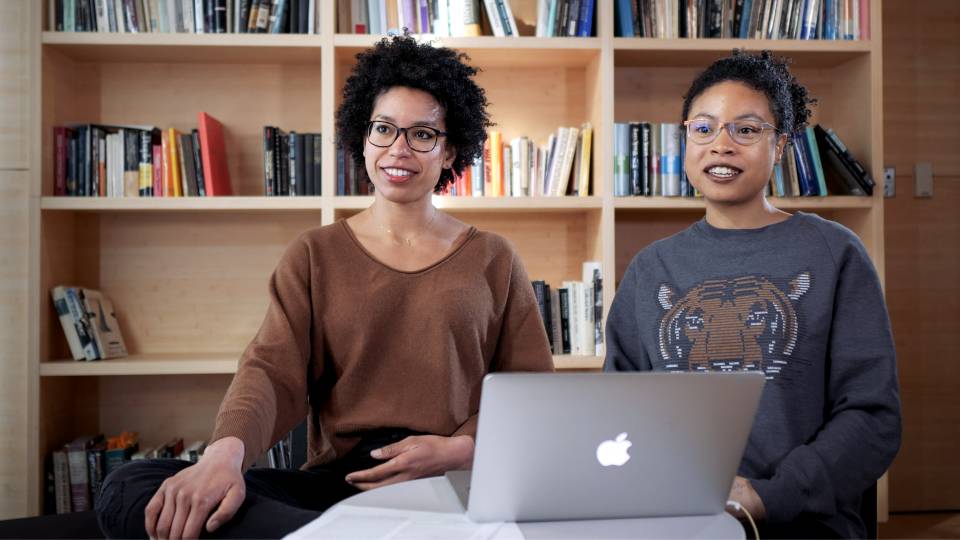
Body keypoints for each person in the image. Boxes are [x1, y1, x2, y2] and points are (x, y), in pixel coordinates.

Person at [95, 34, 554, 539]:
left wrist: (463, 448)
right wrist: (223, 455)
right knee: (132, 485)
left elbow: (530, 392)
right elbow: (271, 371)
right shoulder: (314, 254)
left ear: (450, 152)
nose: (398, 149)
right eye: (384, 129)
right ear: (362, 137)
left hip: (453, 481)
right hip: (339, 487)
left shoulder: (494, 257)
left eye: (423, 134)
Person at [604, 50, 901, 539]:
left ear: (780, 145)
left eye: (745, 129)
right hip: (676, 516)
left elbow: (872, 417)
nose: (721, 145)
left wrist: (765, 497)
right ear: (685, 140)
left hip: (801, 520)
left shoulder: (833, 253)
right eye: (704, 128)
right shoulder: (650, 268)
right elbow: (618, 413)